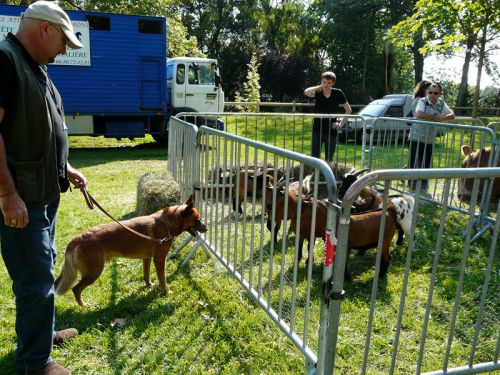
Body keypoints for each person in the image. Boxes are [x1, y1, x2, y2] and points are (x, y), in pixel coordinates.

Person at [0, 1, 88, 374]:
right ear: (45, 29)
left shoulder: (34, 67)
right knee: (35, 279)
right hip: (22, 198)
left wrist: (64, 167)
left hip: (44, 193)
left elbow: (39, 127)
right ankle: (35, 363)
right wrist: (7, 195)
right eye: (64, 41)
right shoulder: (5, 63)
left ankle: (42, 333)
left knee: (43, 267)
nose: (66, 49)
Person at [407, 83, 455, 190]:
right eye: (430, 92)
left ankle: (424, 185)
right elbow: (419, 113)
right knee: (414, 162)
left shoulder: (441, 103)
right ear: (426, 92)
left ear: (440, 94)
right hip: (417, 136)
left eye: (435, 93)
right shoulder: (422, 101)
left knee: (426, 163)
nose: (432, 95)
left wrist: (442, 118)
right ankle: (411, 184)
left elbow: (452, 115)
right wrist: (435, 118)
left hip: (430, 138)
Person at [304, 71, 352, 162]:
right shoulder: (317, 92)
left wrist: (341, 124)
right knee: (314, 158)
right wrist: (319, 87)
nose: (326, 85)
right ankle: (315, 175)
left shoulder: (338, 93)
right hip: (317, 129)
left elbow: (348, 110)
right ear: (321, 81)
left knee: (329, 159)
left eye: (329, 83)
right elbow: (306, 92)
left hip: (331, 130)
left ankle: (327, 176)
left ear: (333, 83)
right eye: (324, 82)